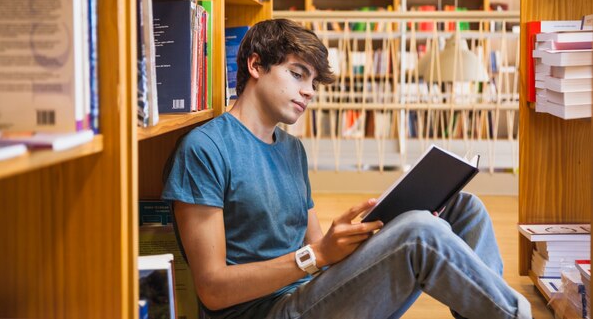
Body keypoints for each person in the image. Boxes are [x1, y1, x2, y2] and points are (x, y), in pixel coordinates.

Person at [162, 18, 532, 319]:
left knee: (464, 207)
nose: (309, 91)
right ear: (256, 65)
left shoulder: (292, 149)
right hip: (269, 311)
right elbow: (211, 288)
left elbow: (317, 250)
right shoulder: (205, 149)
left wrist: (360, 237)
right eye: (297, 74)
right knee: (420, 232)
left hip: (308, 294)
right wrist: (318, 255)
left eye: (313, 82)